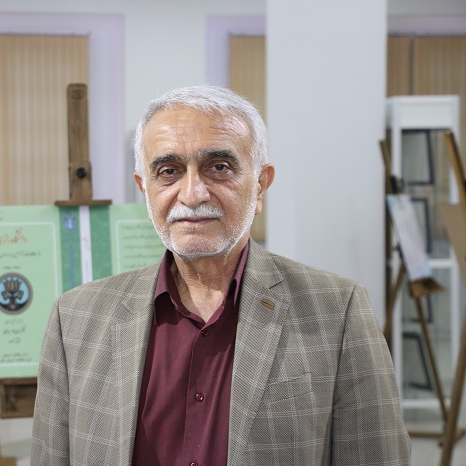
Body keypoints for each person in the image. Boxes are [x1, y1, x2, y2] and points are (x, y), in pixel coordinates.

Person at [32, 85, 410, 465]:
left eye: (218, 167)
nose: (192, 194)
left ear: (260, 185)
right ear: (144, 189)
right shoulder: (75, 319)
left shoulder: (337, 311)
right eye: (168, 172)